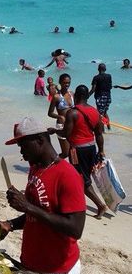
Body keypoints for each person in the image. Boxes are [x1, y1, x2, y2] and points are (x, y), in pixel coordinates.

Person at [0, 117, 86, 274]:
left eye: (22, 145)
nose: (20, 151)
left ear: (39, 140)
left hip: (57, 273)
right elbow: (36, 215)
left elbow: (75, 228)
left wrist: (27, 205)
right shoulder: (36, 168)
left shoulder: (67, 175)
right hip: (31, 267)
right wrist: (10, 224)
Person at [53, 85, 108, 219]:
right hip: (91, 148)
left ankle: (100, 205)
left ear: (76, 96)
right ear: (87, 96)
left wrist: (54, 131)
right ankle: (71, 200)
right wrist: (101, 151)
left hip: (77, 150)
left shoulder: (73, 113)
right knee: (84, 177)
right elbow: (99, 134)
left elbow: (66, 133)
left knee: (80, 179)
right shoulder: (95, 112)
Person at [48, 73, 74, 158]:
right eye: (65, 83)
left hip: (72, 125)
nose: (67, 85)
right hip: (61, 125)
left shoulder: (72, 94)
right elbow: (50, 113)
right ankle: (50, 166)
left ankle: (71, 170)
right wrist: (59, 116)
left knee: (73, 152)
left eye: (68, 83)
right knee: (65, 153)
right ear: (60, 82)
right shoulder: (56, 97)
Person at [89, 63, 112, 129]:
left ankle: (102, 130)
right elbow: (110, 87)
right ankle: (109, 128)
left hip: (100, 97)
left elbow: (93, 89)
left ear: (98, 69)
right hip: (108, 97)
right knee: (105, 112)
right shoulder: (109, 76)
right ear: (105, 69)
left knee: (100, 114)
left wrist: (87, 96)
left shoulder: (96, 77)